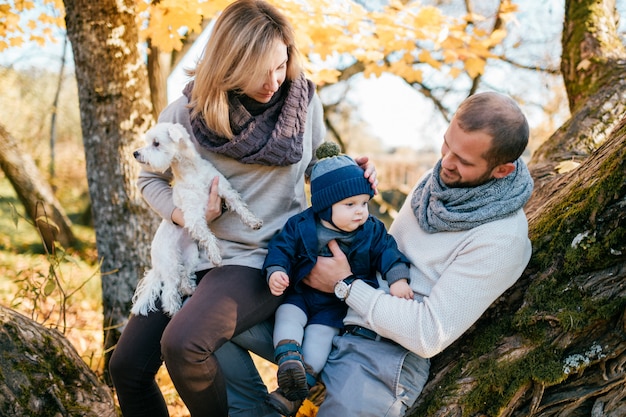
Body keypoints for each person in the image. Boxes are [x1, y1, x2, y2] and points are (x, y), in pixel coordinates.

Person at [107, 1, 377, 416]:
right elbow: (149, 180)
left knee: (184, 344)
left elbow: (318, 165)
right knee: (126, 367)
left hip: (264, 257)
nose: (274, 81)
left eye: (281, 66)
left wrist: (350, 172)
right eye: (260, 70)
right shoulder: (185, 113)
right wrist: (185, 217)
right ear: (229, 63)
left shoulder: (302, 102)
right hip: (192, 256)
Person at [221, 91, 534, 416]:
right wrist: (351, 188)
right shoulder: (439, 182)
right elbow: (379, 244)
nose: (446, 161)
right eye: (446, 144)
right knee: (209, 324)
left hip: (381, 354)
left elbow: (428, 334)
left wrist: (344, 285)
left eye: (464, 160)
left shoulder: (502, 238)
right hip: (329, 315)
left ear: (502, 170)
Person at [262, 143, 413, 415]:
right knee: (287, 317)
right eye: (350, 204)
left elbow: (388, 252)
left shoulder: (371, 230)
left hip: (334, 307)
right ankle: (287, 358)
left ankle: (295, 389)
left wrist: (398, 280)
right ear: (323, 205)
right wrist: (277, 270)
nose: (360, 211)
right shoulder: (301, 225)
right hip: (301, 293)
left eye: (365, 203)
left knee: (319, 343)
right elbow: (280, 247)